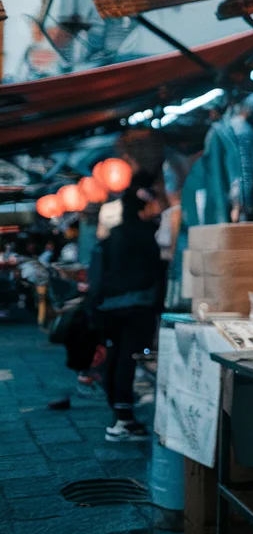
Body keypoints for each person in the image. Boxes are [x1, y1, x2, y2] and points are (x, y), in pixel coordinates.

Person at [86, 186, 165, 441]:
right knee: (128, 358)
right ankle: (123, 419)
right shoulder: (149, 234)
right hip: (136, 306)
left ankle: (118, 410)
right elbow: (157, 271)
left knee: (116, 356)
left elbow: (98, 272)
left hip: (108, 306)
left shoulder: (114, 235)